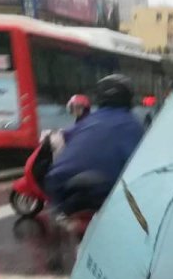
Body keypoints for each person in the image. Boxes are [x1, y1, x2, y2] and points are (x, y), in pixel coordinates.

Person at [44, 74, 144, 217]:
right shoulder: (133, 125)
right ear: (128, 97)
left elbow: (64, 138)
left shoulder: (87, 121)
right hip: (106, 192)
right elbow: (138, 163)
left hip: (60, 184)